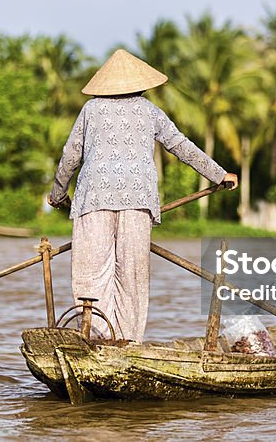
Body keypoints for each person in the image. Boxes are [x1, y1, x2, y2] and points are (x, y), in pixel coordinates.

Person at [48, 49, 238, 342]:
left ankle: (92, 339)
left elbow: (70, 156)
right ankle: (125, 342)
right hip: (137, 202)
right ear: (142, 85)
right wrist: (219, 174)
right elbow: (181, 146)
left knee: (92, 275)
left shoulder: (91, 110)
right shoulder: (150, 111)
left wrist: (57, 194)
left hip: (92, 200)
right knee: (131, 278)